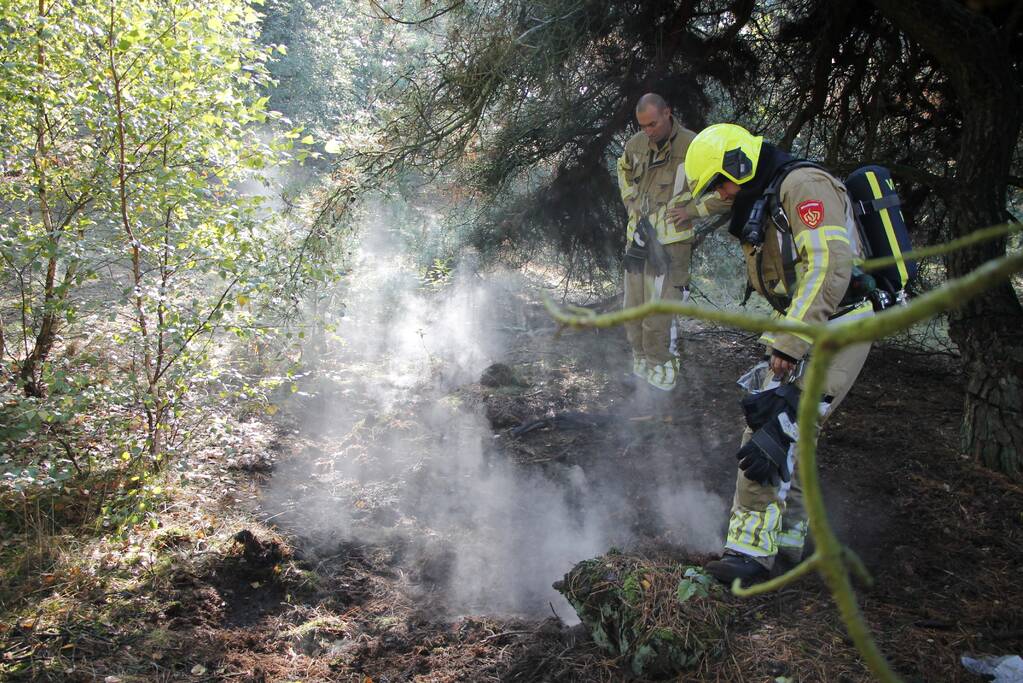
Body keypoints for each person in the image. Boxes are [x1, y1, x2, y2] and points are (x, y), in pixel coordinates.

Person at [682, 123, 875, 584]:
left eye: (720, 184)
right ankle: (787, 538)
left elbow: (828, 266)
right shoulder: (763, 192)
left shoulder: (803, 186)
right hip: (817, 323)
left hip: (837, 326)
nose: (722, 196)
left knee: (771, 430)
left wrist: (790, 341)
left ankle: (748, 557)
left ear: (740, 165)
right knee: (793, 433)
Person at [616, 94, 730, 391]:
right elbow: (623, 171)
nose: (648, 131)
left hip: (672, 245)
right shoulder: (635, 144)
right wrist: (630, 202)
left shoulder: (694, 146)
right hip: (638, 241)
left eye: (653, 124)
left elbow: (729, 190)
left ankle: (664, 371)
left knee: (659, 314)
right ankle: (641, 363)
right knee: (633, 310)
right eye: (642, 125)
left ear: (668, 113)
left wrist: (692, 211)